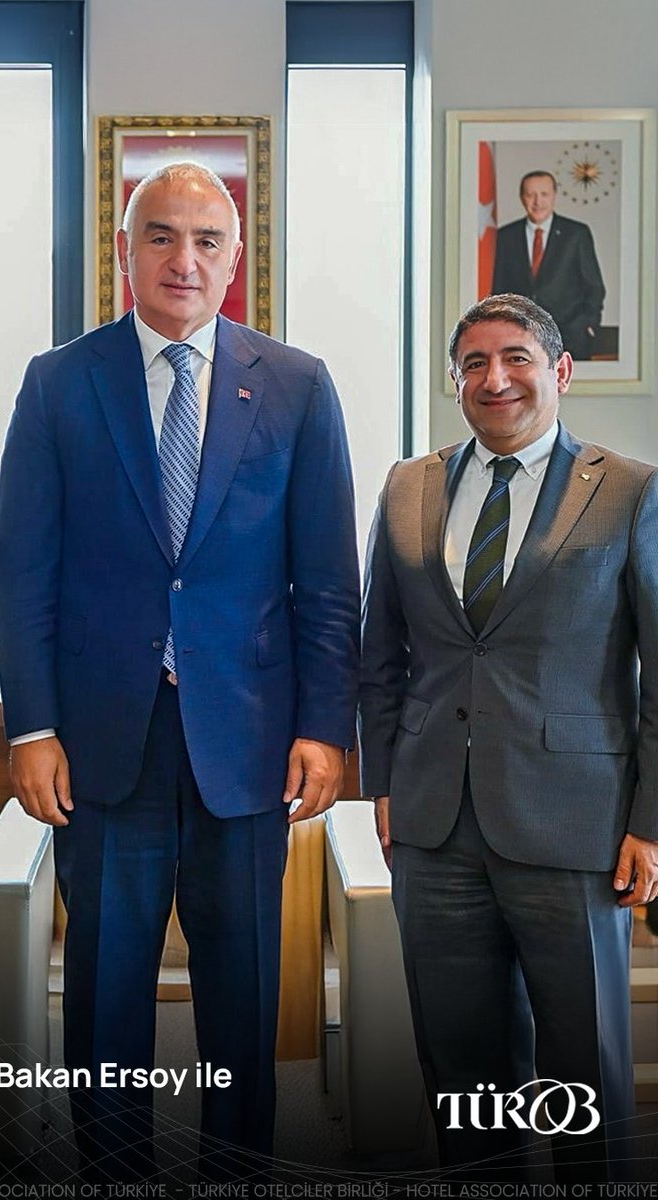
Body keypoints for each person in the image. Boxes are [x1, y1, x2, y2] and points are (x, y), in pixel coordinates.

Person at [0, 161, 359, 1180]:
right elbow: (24, 572)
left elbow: (329, 581)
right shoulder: (60, 382)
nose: (182, 259)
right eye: (160, 236)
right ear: (125, 251)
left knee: (243, 995)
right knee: (105, 993)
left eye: (205, 240)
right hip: (103, 745)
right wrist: (31, 728)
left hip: (249, 745)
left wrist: (325, 728)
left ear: (234, 259)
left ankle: (238, 1172)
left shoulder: (297, 385)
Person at [359, 293, 658, 1182]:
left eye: (517, 358)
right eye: (475, 364)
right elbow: (379, 654)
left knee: (584, 1071)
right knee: (460, 1070)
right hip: (433, 828)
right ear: (455, 380)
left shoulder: (630, 490)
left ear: (560, 371)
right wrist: (385, 784)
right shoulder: (408, 487)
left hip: (576, 826)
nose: (496, 379)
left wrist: (650, 823)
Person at [490, 170, 606, 360]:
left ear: (554, 196)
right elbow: (498, 288)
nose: (538, 201)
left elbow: (594, 286)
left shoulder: (576, 234)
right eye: (531, 194)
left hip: (571, 338)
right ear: (522, 197)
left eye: (544, 194)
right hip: (519, 340)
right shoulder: (505, 236)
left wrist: (588, 324)